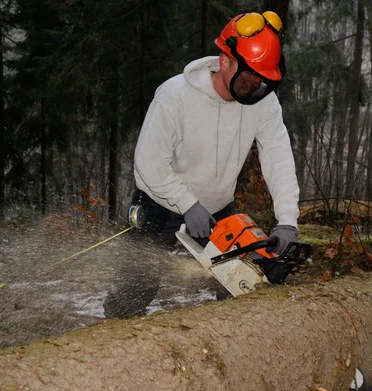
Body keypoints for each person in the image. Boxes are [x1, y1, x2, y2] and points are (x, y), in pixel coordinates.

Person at [104, 11, 300, 319]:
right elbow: (148, 163)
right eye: (250, 79)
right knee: (136, 286)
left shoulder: (263, 103)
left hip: (218, 208)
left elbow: (278, 156)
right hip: (160, 202)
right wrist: (186, 202)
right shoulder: (174, 96)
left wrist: (287, 219)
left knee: (246, 279)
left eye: (264, 81)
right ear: (226, 61)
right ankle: (111, 340)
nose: (256, 88)